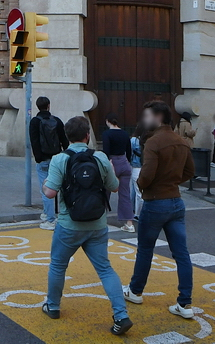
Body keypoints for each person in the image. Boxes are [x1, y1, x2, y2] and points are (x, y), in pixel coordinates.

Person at [41, 115, 133, 335]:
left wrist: (46, 183)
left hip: (69, 224)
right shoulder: (100, 157)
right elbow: (114, 187)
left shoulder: (59, 159)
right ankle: (121, 315)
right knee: (105, 269)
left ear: (67, 136)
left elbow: (50, 192)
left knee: (57, 266)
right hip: (97, 224)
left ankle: (53, 306)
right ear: (87, 135)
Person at [125, 100, 195, 320]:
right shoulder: (181, 142)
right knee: (181, 254)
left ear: (158, 118)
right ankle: (185, 303)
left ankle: (135, 291)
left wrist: (142, 185)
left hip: (155, 201)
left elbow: (146, 175)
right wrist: (173, 181)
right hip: (175, 200)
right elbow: (190, 171)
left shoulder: (154, 142)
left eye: (147, 116)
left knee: (145, 249)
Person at [29, 96, 69, 229]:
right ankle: (55, 214)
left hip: (44, 160)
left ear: (37, 106)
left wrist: (38, 158)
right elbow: (64, 140)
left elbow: (34, 141)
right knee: (60, 187)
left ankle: (50, 218)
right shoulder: (56, 121)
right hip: (57, 159)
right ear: (48, 106)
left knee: (46, 189)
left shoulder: (35, 122)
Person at [102, 113, 134, 231]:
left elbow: (106, 152)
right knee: (125, 194)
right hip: (124, 163)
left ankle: (101, 220)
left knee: (105, 193)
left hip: (112, 163)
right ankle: (129, 223)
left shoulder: (106, 134)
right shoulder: (125, 134)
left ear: (107, 121)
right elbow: (129, 151)